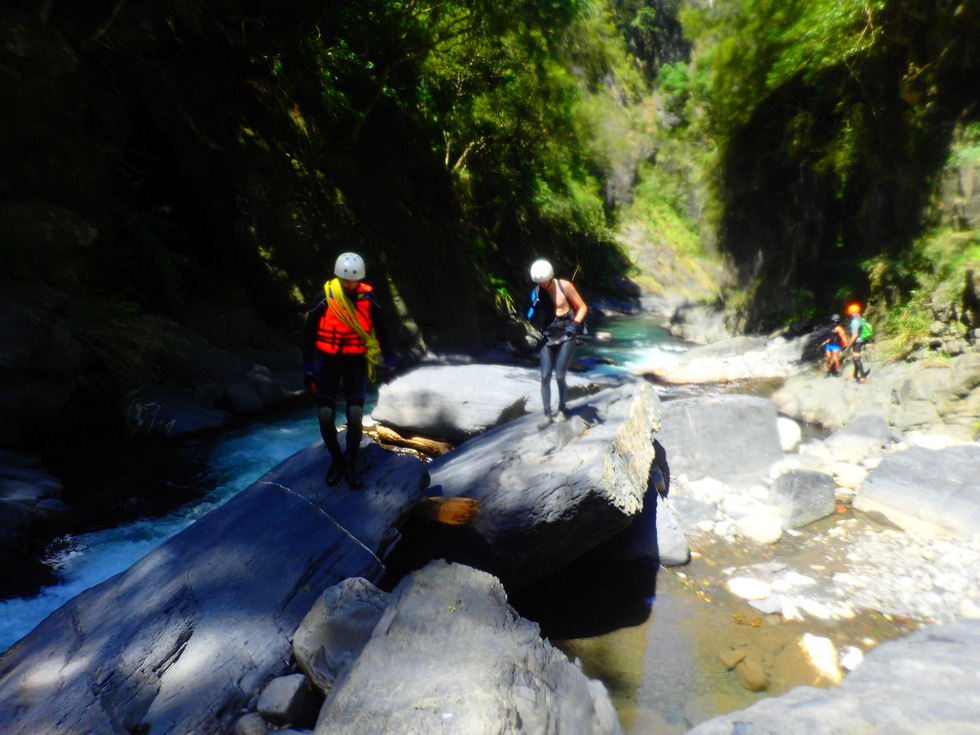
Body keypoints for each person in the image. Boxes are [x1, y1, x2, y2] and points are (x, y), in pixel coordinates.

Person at [303, 252, 395, 488]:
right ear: (338, 277)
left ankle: (350, 460)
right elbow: (309, 334)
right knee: (325, 416)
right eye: (346, 280)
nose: (351, 284)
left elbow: (383, 330)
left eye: (354, 280)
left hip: (356, 361)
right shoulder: (323, 297)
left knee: (355, 418)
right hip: (329, 361)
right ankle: (336, 459)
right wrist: (308, 366)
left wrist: (390, 362)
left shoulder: (368, 297)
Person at [527, 258, 588, 428]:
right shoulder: (537, 292)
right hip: (549, 335)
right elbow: (530, 316)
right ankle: (547, 415)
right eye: (539, 282)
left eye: (543, 281)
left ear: (550, 276)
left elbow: (582, 307)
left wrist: (575, 324)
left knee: (560, 375)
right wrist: (534, 305)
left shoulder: (565, 286)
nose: (542, 285)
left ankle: (562, 408)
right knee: (545, 376)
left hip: (566, 334)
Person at [846, 302, 871, 382]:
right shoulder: (860, 320)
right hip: (859, 340)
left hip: (857, 341)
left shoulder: (855, 322)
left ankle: (863, 376)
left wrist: (849, 344)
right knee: (855, 358)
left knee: (856, 358)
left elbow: (855, 334)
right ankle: (854, 375)